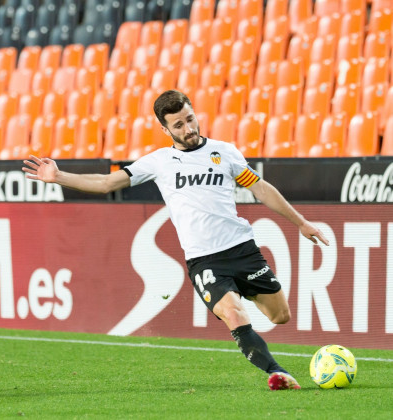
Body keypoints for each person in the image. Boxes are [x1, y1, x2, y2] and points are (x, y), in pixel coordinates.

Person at [23, 89, 330, 391]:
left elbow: (260, 188)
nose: (189, 129)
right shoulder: (159, 162)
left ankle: (240, 294)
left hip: (242, 250)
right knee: (234, 314)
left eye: (190, 119)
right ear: (165, 129)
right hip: (205, 261)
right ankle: (276, 373)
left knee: (280, 316)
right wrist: (60, 177)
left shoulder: (225, 152)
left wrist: (301, 223)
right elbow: (106, 183)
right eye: (179, 125)